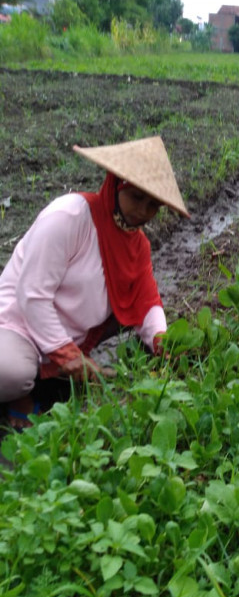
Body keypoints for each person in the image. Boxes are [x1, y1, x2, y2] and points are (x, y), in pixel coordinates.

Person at [0, 136, 189, 429]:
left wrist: (164, 343)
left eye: (153, 205)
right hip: (19, 323)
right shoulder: (70, 216)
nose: (142, 211)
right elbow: (32, 295)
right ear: (115, 186)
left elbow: (147, 302)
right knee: (12, 374)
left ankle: (45, 381)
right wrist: (65, 353)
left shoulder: (137, 245)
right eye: (136, 197)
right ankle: (25, 391)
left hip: (69, 333)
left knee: (136, 321)